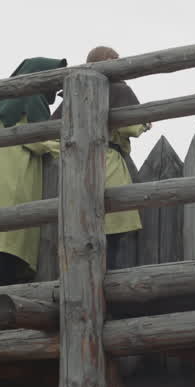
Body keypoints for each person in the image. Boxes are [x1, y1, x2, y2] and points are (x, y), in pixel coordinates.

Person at [0, 56, 67, 286]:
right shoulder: (30, 97)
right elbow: (36, 140)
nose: (56, 86)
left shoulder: (2, 101)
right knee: (5, 245)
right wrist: (69, 145)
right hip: (13, 180)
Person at [52, 46, 150, 269]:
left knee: (81, 236)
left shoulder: (73, 91)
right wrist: (146, 123)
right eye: (116, 59)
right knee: (111, 236)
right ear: (107, 61)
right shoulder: (119, 89)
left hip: (75, 166)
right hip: (107, 163)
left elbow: (52, 134)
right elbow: (131, 127)